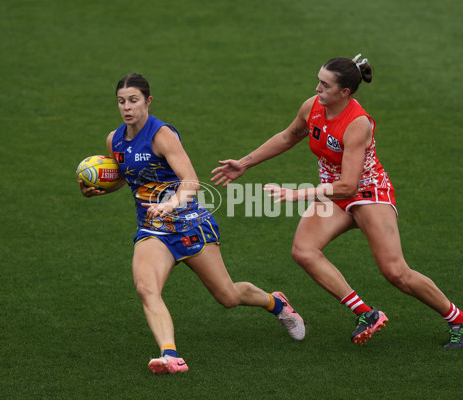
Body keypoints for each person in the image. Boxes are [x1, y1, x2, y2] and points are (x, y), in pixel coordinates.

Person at [211, 55, 463, 348]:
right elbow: (288, 137)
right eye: (318, 81)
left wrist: (299, 194)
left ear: (344, 92)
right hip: (332, 193)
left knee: (396, 273)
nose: (317, 89)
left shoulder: (356, 124)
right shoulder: (313, 107)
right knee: (304, 251)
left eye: (324, 85)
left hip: (367, 194)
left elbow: (349, 186)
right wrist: (245, 163)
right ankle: (366, 313)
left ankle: (460, 319)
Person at [78, 73, 305, 375]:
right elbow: (129, 175)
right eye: (121, 102)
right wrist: (102, 186)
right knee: (147, 289)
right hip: (152, 230)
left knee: (228, 296)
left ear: (148, 101)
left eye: (133, 100)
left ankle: (276, 303)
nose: (126, 107)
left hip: (188, 225)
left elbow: (191, 182)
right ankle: (170, 355)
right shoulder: (115, 139)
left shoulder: (162, 136)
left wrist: (169, 204)